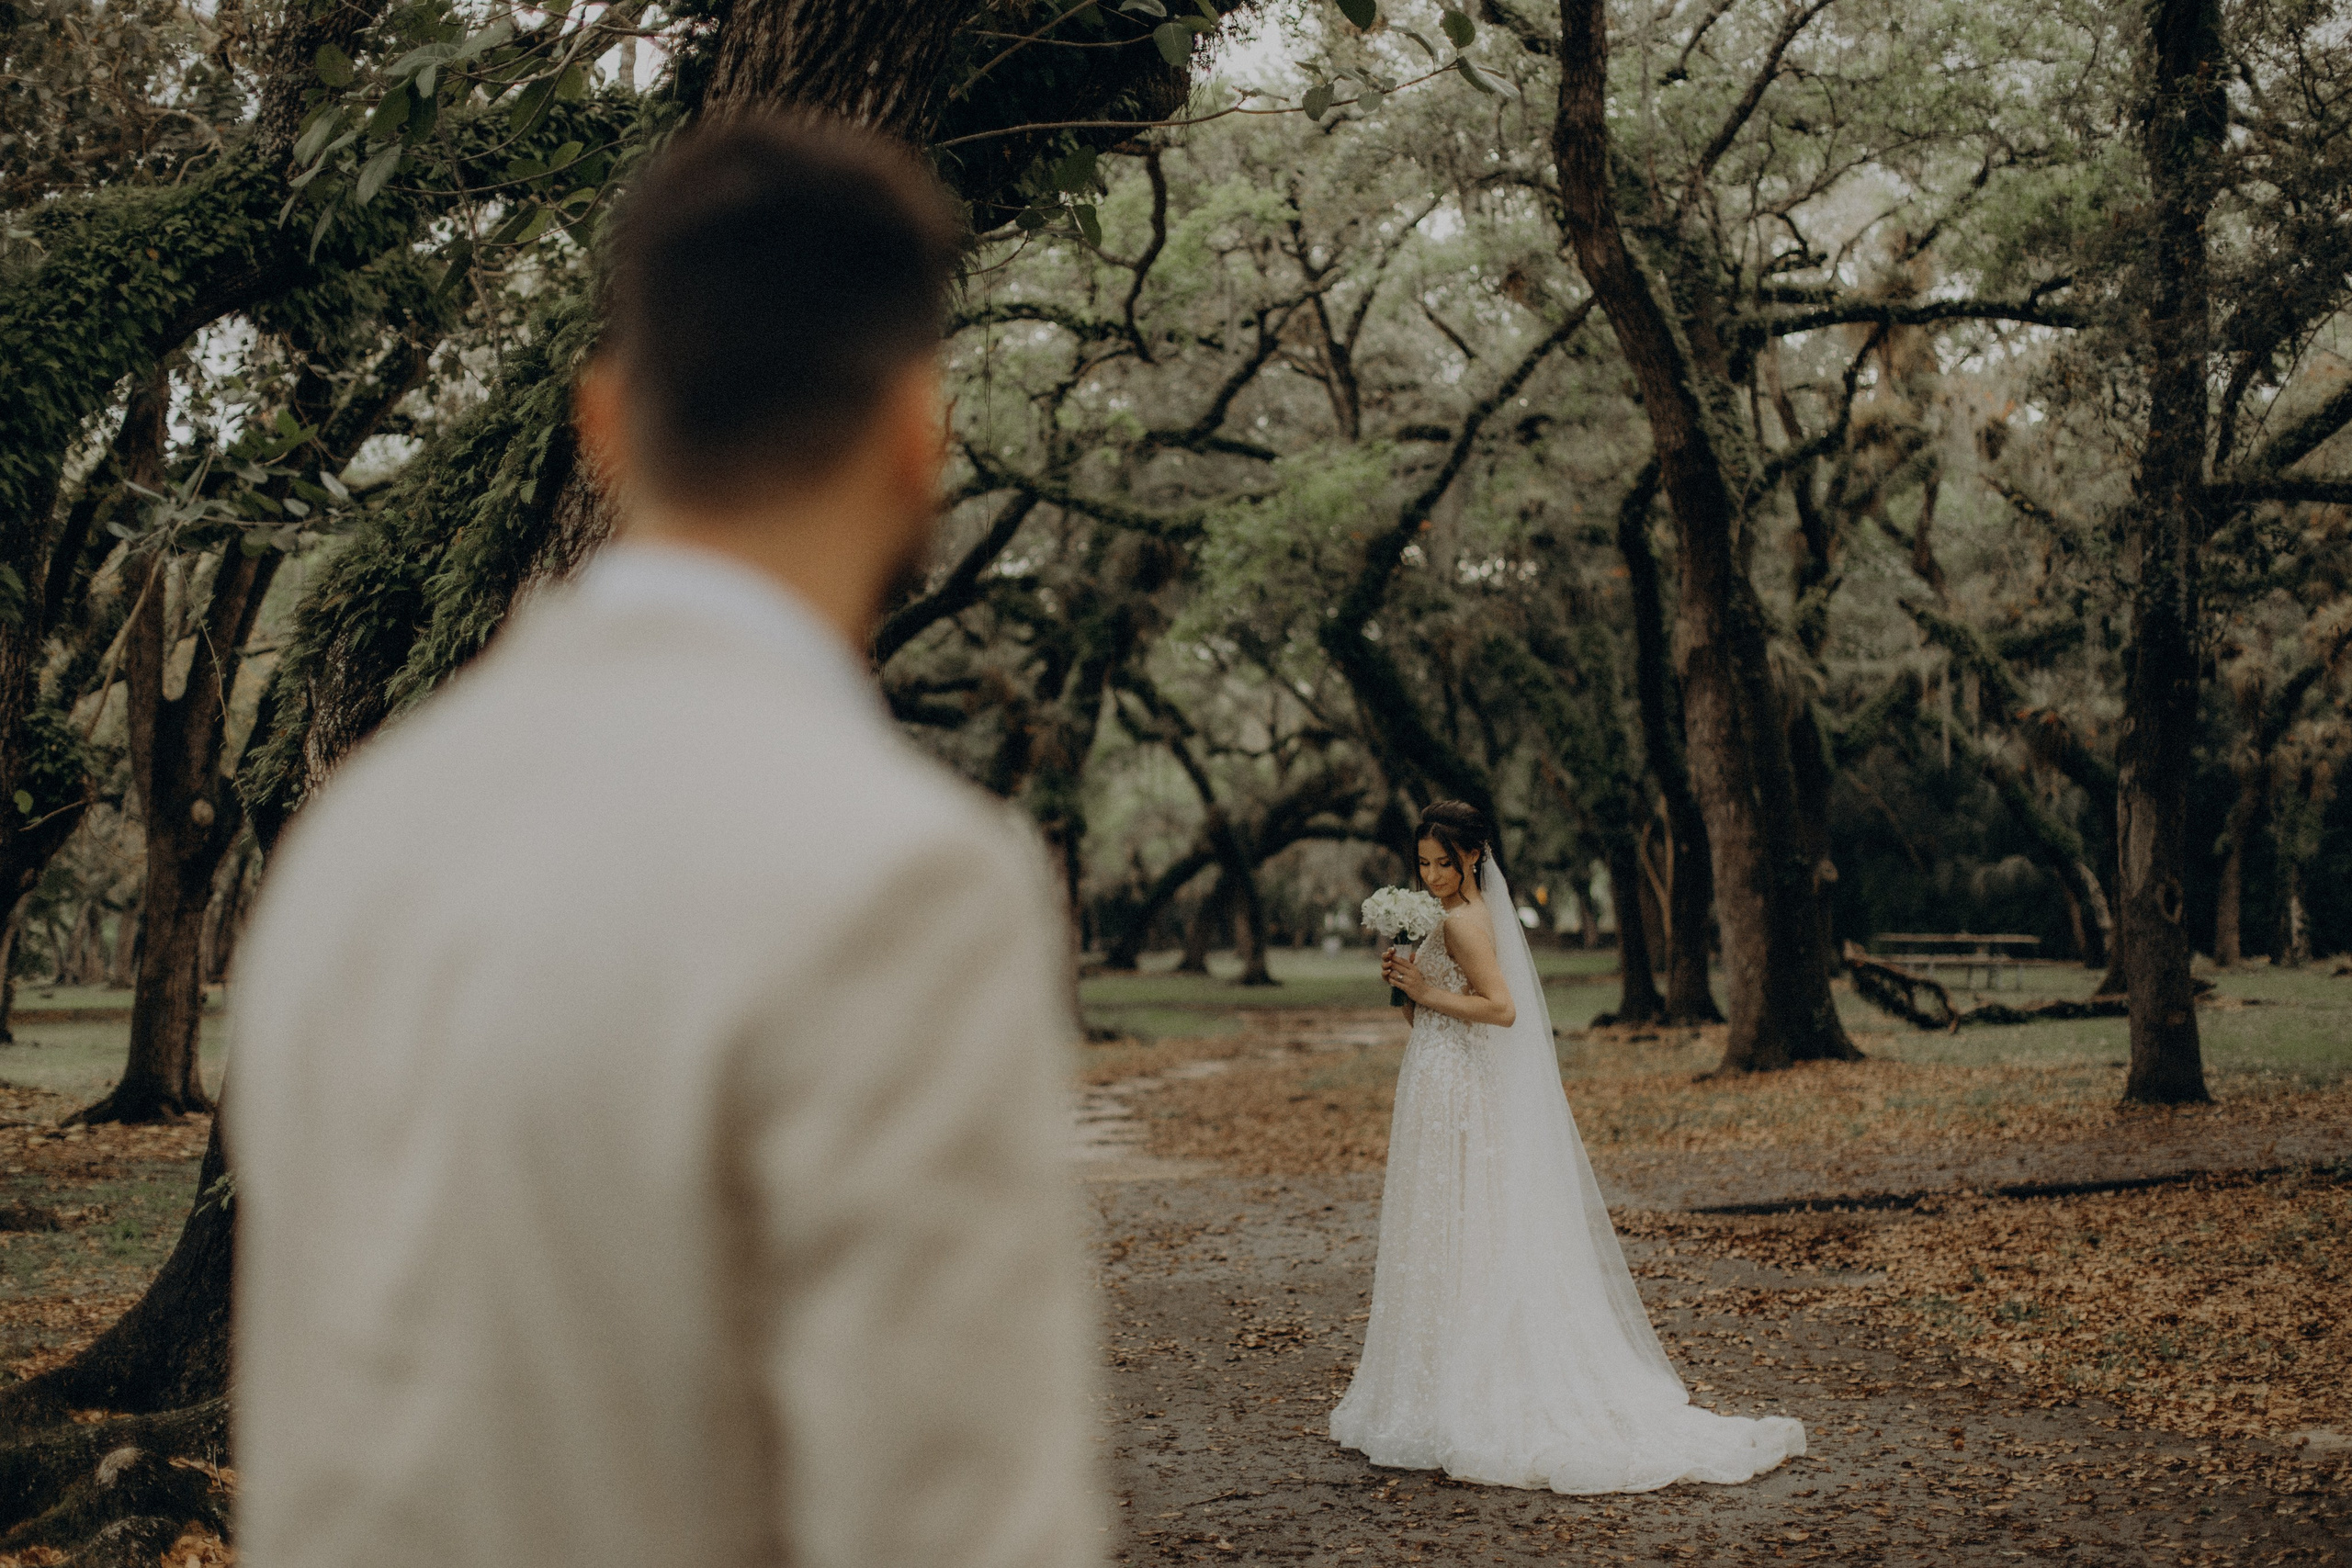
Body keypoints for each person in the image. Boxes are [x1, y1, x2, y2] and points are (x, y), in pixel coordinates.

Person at [230, 116, 1100, 1568]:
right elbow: (953, 1519)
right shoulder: (898, 878)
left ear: (608, 422)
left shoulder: (357, 836)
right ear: (917, 436)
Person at [1330, 800, 1805, 1492]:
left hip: (1459, 1086)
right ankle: (1429, 1384)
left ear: (1474, 856)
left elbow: (1501, 1008)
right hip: (1433, 1081)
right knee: (1442, 1227)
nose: (1432, 874)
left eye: (1444, 861)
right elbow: (1427, 1014)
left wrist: (1427, 988)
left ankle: (1467, 1387)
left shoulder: (1465, 920)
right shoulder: (1440, 918)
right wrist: (1406, 988)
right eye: (1423, 863)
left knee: (1466, 1227)